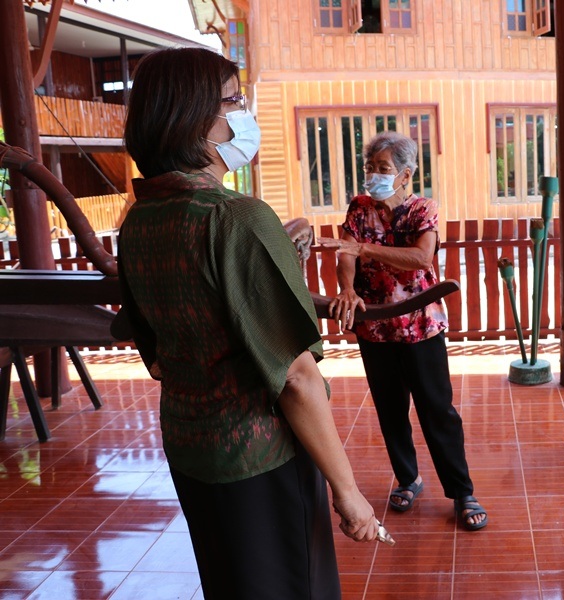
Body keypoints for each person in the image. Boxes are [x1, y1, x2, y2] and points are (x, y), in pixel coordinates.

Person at [117, 47, 379, 600]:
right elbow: (297, 378)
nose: (245, 112)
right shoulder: (235, 217)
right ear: (193, 119)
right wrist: (348, 491)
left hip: (191, 450)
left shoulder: (139, 220)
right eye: (233, 101)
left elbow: (158, 353)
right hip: (260, 460)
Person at [319, 131, 488, 531]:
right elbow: (346, 254)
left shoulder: (422, 209)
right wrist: (347, 288)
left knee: (437, 410)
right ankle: (408, 478)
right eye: (370, 167)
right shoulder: (360, 208)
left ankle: (462, 492)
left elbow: (421, 257)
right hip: (374, 327)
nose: (373, 175)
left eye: (383, 168)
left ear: (406, 174)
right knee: (390, 409)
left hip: (420, 326)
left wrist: (366, 249)